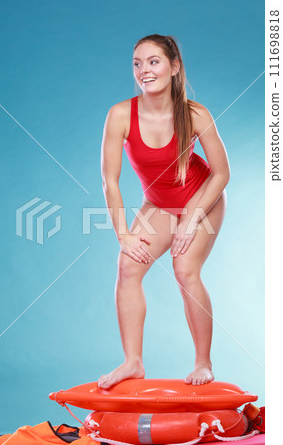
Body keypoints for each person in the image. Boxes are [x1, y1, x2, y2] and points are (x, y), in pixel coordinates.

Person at [98, 34, 230, 388]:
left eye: (153, 62)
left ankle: (203, 363)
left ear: (174, 67)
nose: (144, 70)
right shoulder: (121, 114)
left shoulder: (194, 113)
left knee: (185, 269)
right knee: (127, 265)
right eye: (137, 63)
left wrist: (191, 219)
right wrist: (124, 234)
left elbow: (221, 174)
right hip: (159, 202)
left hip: (203, 197)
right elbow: (110, 182)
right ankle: (133, 362)